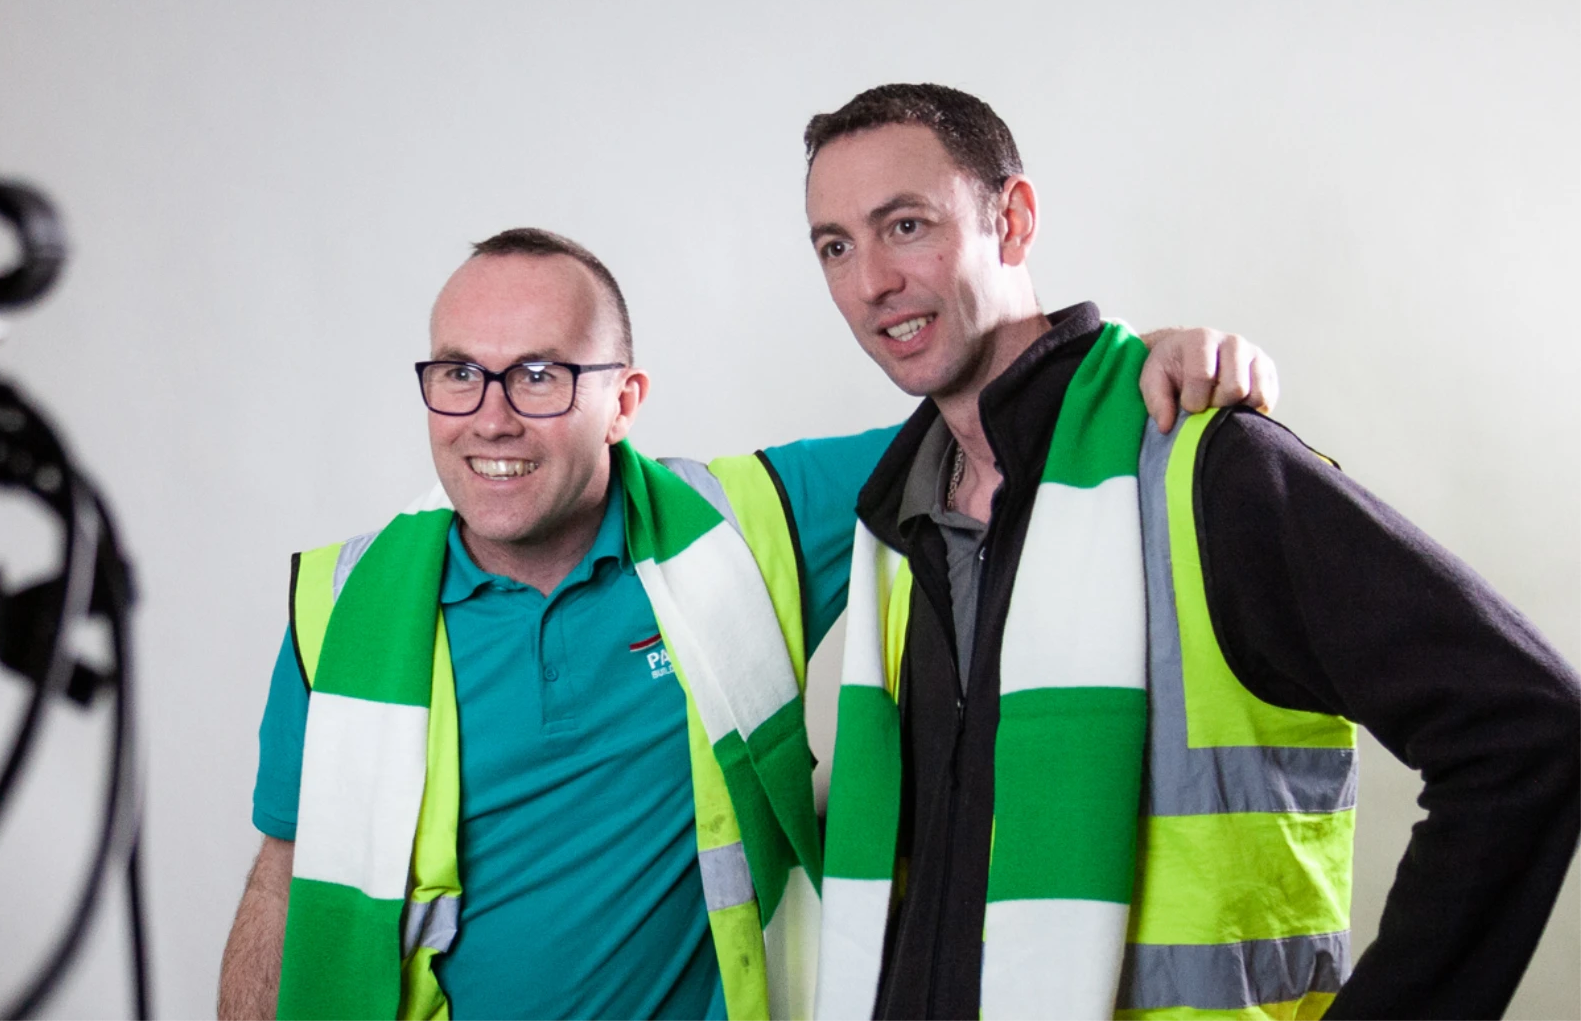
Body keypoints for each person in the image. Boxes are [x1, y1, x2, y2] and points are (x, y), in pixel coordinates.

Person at [218, 228, 1276, 1021]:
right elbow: (282, 873)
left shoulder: (741, 531)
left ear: (623, 398)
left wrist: (1137, 358)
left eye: (539, 374)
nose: (490, 415)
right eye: (459, 373)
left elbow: (991, 416)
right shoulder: (343, 605)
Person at [800, 83, 1581, 1021]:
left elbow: (1528, 728)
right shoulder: (898, 519)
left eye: (906, 225)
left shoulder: (1204, 469)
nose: (870, 282)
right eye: (835, 246)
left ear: (1012, 221)